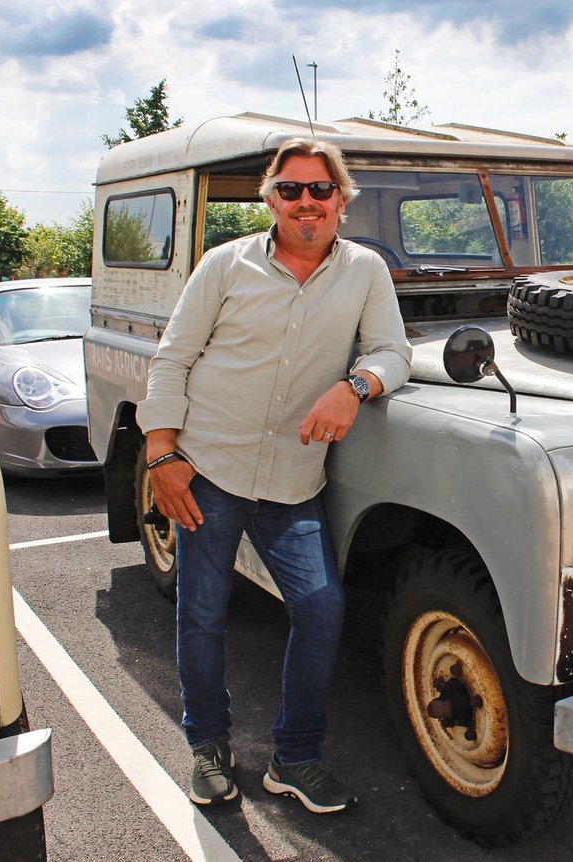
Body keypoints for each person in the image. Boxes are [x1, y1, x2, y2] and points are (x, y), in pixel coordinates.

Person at [136, 137, 412, 813]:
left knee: (321, 610)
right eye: (291, 189)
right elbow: (173, 360)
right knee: (202, 615)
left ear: (342, 200)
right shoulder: (224, 266)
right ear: (270, 198)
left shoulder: (365, 271)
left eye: (321, 190)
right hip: (210, 470)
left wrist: (357, 386)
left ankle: (294, 758)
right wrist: (162, 457)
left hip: (293, 481)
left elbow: (392, 351)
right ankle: (208, 749)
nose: (306, 202)